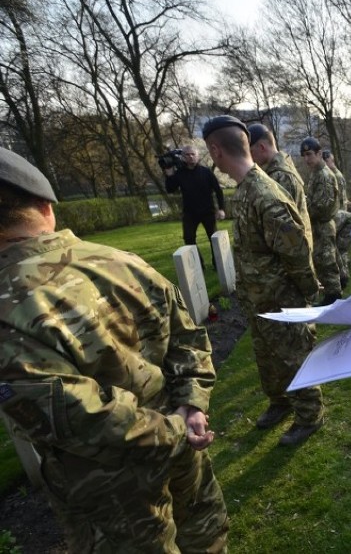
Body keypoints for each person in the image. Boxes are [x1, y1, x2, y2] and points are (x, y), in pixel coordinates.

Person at [0, 147, 228, 551]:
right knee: (205, 537)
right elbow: (188, 337)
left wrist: (178, 425)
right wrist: (191, 407)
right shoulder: (121, 261)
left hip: (112, 488)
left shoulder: (8, 306)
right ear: (46, 207)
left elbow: (80, 421)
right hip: (181, 444)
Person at [203, 116, 325, 446]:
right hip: (258, 298)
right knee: (268, 358)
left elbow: (296, 248)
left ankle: (309, 415)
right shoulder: (244, 191)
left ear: (216, 151)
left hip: (281, 298)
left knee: (293, 357)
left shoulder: (264, 192)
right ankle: (280, 402)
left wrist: (305, 292)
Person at [164, 144, 226, 269]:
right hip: (190, 213)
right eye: (187, 155)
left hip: (208, 211)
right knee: (189, 239)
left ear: (197, 156)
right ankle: (199, 265)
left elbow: (218, 191)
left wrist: (221, 209)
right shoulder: (180, 174)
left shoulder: (206, 172)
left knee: (214, 239)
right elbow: (170, 189)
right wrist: (169, 175)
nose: (190, 157)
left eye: (193, 154)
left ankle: (217, 264)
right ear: (183, 157)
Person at [301, 138, 342, 305]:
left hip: (323, 225)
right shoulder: (316, 173)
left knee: (326, 260)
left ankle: (333, 296)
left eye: (309, 154)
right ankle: (334, 290)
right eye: (304, 155)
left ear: (319, 154)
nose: (306, 159)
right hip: (318, 225)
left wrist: (303, 209)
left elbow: (321, 206)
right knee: (324, 259)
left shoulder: (324, 175)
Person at [323, 149, 351, 289]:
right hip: (341, 213)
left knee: (340, 248)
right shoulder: (336, 174)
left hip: (339, 215)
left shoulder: (334, 175)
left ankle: (343, 275)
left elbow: (336, 196)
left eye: (328, 161)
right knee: (339, 247)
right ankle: (342, 273)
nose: (329, 164)